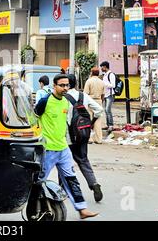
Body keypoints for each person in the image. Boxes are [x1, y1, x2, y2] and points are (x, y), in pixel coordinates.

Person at [35, 74, 99, 219]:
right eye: (62, 85)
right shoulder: (45, 101)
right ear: (54, 86)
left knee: (71, 179)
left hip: (63, 148)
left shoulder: (66, 102)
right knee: (39, 181)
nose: (65, 88)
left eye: (67, 85)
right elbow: (34, 117)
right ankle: (36, 208)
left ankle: (82, 209)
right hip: (48, 149)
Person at [66, 74, 104, 202]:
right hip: (83, 133)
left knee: (64, 162)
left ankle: (63, 189)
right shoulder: (83, 96)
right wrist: (91, 123)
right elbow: (99, 110)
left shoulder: (63, 98)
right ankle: (94, 184)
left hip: (67, 136)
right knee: (83, 160)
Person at [84, 67, 106, 144]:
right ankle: (98, 139)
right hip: (99, 101)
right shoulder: (102, 82)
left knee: (88, 119)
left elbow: (85, 94)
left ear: (91, 73)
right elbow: (103, 95)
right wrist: (101, 102)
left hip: (90, 101)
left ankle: (89, 138)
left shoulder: (89, 81)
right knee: (98, 121)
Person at [100, 61, 116, 132]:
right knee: (106, 111)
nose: (101, 68)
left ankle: (111, 125)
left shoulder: (111, 74)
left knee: (108, 110)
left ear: (105, 67)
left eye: (102, 67)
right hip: (105, 95)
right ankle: (108, 125)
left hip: (110, 95)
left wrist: (104, 83)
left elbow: (113, 85)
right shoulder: (105, 75)